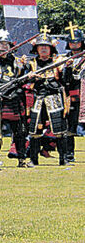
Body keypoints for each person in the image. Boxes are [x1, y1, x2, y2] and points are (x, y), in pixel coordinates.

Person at [0, 30, 33, 167]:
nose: (4, 47)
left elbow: (22, 79)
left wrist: (28, 73)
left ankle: (22, 159)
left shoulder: (19, 62)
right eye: (1, 44)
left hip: (14, 98)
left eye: (6, 44)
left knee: (20, 132)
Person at [27, 33, 70, 165]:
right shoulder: (31, 63)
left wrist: (67, 67)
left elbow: (66, 80)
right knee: (35, 130)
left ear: (51, 48)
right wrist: (31, 76)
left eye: (46, 46)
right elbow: (24, 81)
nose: (44, 49)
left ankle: (64, 159)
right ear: (37, 49)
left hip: (54, 98)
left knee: (60, 130)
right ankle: (33, 159)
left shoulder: (59, 62)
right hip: (38, 98)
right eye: (41, 46)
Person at [61, 27, 83, 163]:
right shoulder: (64, 58)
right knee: (70, 126)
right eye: (72, 42)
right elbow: (63, 79)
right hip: (74, 95)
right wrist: (67, 68)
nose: (74, 45)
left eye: (77, 42)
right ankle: (69, 153)